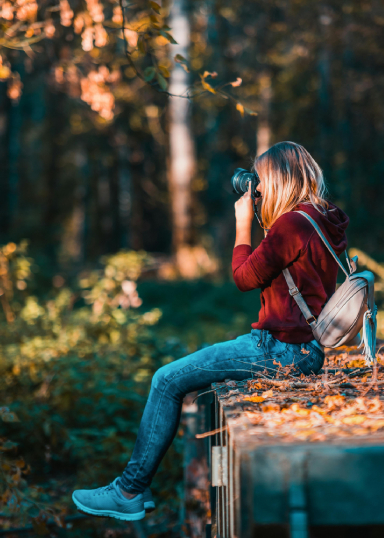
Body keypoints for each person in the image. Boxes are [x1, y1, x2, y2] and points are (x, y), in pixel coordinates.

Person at [71, 141, 348, 521]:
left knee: (166, 380)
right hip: (307, 349)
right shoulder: (324, 217)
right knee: (183, 374)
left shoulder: (291, 224)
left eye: (262, 180)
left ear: (280, 179)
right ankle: (130, 489)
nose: (259, 189)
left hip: (278, 350)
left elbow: (243, 277)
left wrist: (241, 224)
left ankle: (129, 490)